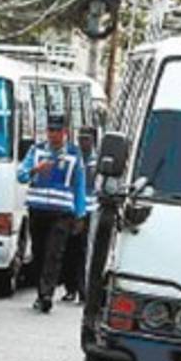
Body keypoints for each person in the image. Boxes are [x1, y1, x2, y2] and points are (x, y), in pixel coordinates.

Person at [17, 113, 86, 313]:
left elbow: (79, 185)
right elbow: (20, 175)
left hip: (62, 213)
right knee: (38, 253)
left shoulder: (74, 154)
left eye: (57, 131)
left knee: (54, 254)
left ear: (65, 132)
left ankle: (46, 294)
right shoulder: (36, 151)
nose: (53, 135)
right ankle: (41, 292)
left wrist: (80, 214)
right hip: (38, 210)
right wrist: (35, 170)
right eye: (50, 131)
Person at [61, 127, 99, 304]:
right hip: (71, 209)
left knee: (84, 252)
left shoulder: (97, 163)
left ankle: (83, 291)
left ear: (93, 141)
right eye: (81, 139)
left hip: (89, 211)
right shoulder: (72, 159)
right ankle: (70, 288)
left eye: (87, 139)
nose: (83, 142)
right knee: (69, 251)